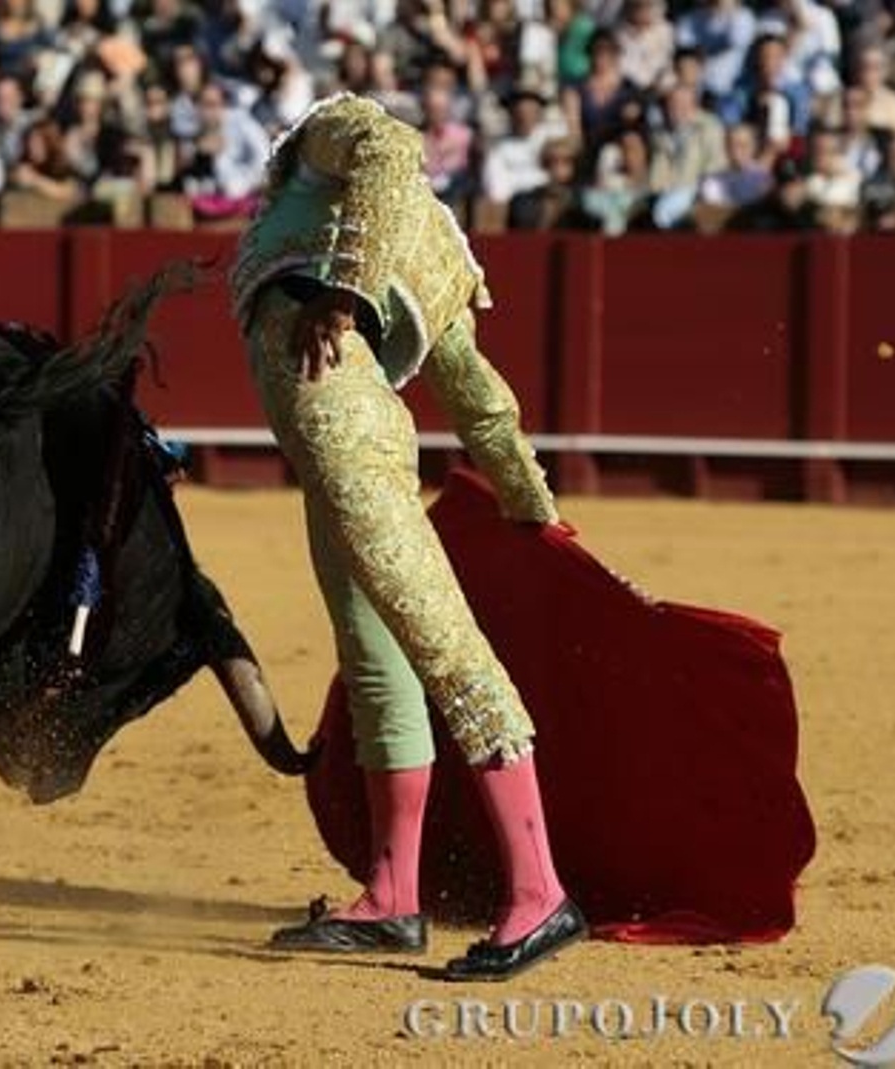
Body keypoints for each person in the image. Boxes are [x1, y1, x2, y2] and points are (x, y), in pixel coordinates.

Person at [231, 94, 586, 980]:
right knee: (378, 658)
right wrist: (528, 500)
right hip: (332, 440)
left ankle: (540, 892)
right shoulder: (436, 253)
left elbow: (393, 146)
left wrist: (342, 297)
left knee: (440, 640)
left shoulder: (330, 134)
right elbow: (483, 402)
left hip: (341, 421)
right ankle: (394, 895)